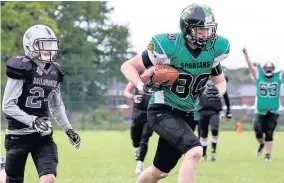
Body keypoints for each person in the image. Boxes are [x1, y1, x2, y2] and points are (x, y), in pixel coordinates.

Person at [121, 4, 229, 183]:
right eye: (201, 29)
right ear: (187, 28)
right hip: (162, 110)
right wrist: (140, 86)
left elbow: (221, 81)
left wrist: (217, 91)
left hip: (187, 114)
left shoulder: (213, 49)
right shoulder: (170, 46)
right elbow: (128, 65)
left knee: (159, 171)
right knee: (195, 151)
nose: (206, 34)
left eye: (209, 29)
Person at [2, 24, 81, 183]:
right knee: (13, 180)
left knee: (49, 177)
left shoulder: (55, 72)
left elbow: (56, 106)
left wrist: (69, 129)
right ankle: (2, 169)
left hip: (43, 137)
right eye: (43, 44)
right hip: (18, 135)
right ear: (30, 45)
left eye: (51, 44)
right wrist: (32, 121)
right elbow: (7, 105)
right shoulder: (22, 68)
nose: (48, 49)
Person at [242, 48, 283, 161]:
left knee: (269, 133)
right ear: (264, 69)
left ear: (273, 69)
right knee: (258, 131)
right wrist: (246, 55)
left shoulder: (278, 76)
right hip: (260, 110)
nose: (269, 70)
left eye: (270, 69)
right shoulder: (259, 76)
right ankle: (261, 144)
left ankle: (268, 155)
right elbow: (251, 67)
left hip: (274, 110)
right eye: (267, 68)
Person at [124, 72, 154, 175]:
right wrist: (133, 97)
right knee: (134, 137)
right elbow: (126, 92)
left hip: (151, 114)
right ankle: (137, 149)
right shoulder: (137, 77)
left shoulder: (159, 76)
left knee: (145, 139)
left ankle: (140, 165)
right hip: (138, 113)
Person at [198, 76, 232, 161]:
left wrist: (228, 111)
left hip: (215, 111)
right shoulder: (200, 81)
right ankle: (204, 154)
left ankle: (213, 153)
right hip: (202, 110)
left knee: (214, 129)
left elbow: (226, 97)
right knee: (203, 134)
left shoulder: (217, 81)